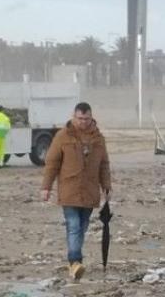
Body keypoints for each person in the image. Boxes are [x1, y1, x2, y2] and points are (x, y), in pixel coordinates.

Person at [39, 102, 111, 281]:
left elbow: (104, 165)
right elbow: (52, 163)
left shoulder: (98, 138)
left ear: (91, 117)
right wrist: (46, 187)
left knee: (83, 226)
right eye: (80, 119)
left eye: (86, 119)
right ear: (74, 116)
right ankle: (75, 262)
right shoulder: (63, 136)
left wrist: (106, 186)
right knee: (73, 225)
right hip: (69, 190)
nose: (83, 122)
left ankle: (74, 259)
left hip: (89, 190)